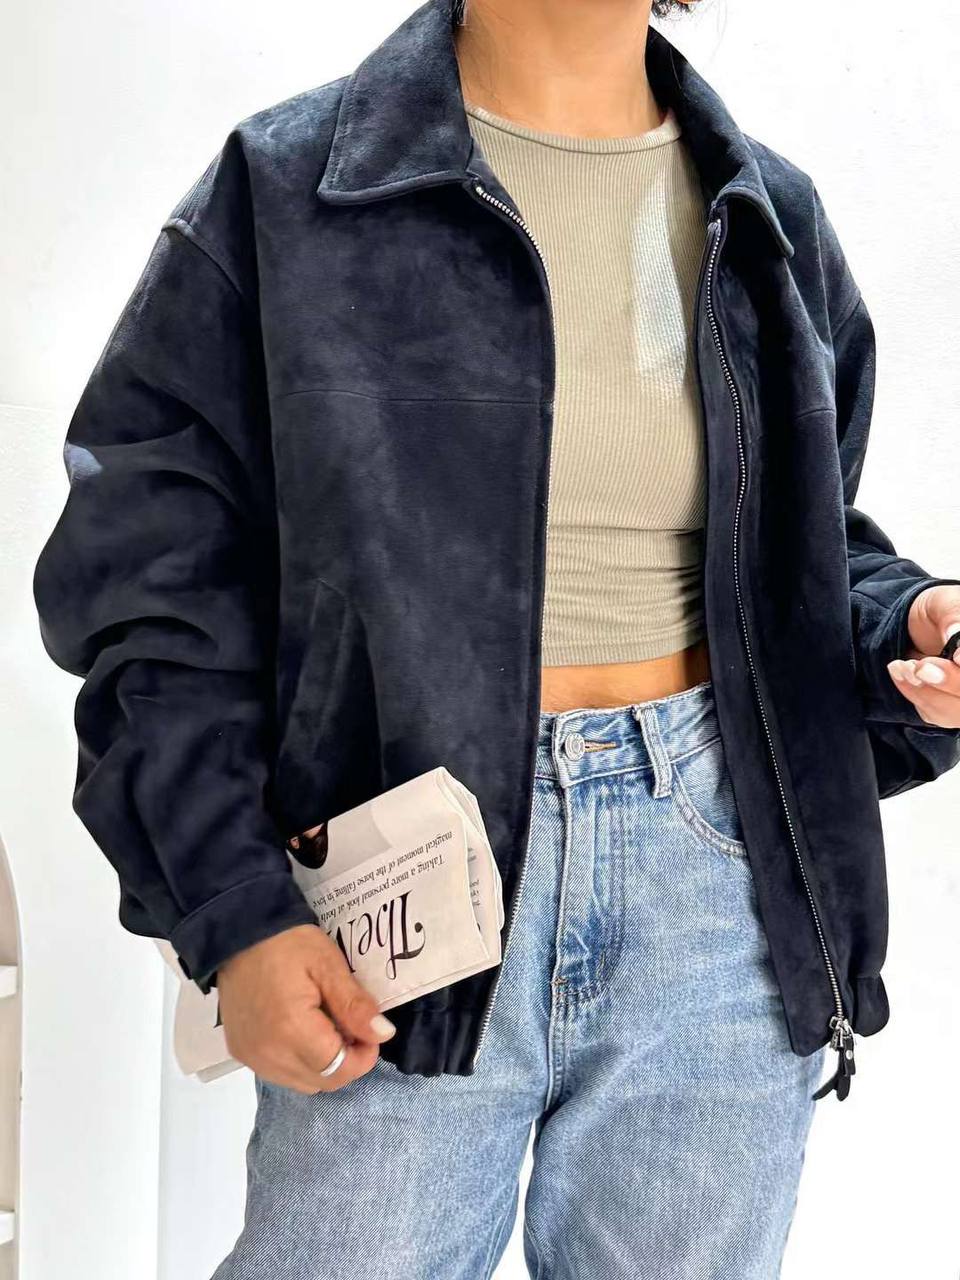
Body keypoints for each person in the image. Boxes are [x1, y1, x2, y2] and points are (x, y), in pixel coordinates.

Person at [31, 0, 960, 1275]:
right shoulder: (290, 190)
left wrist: (907, 625)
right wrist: (235, 910)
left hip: (721, 894)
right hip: (397, 883)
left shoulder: (767, 216)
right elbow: (150, 586)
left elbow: (797, 557)